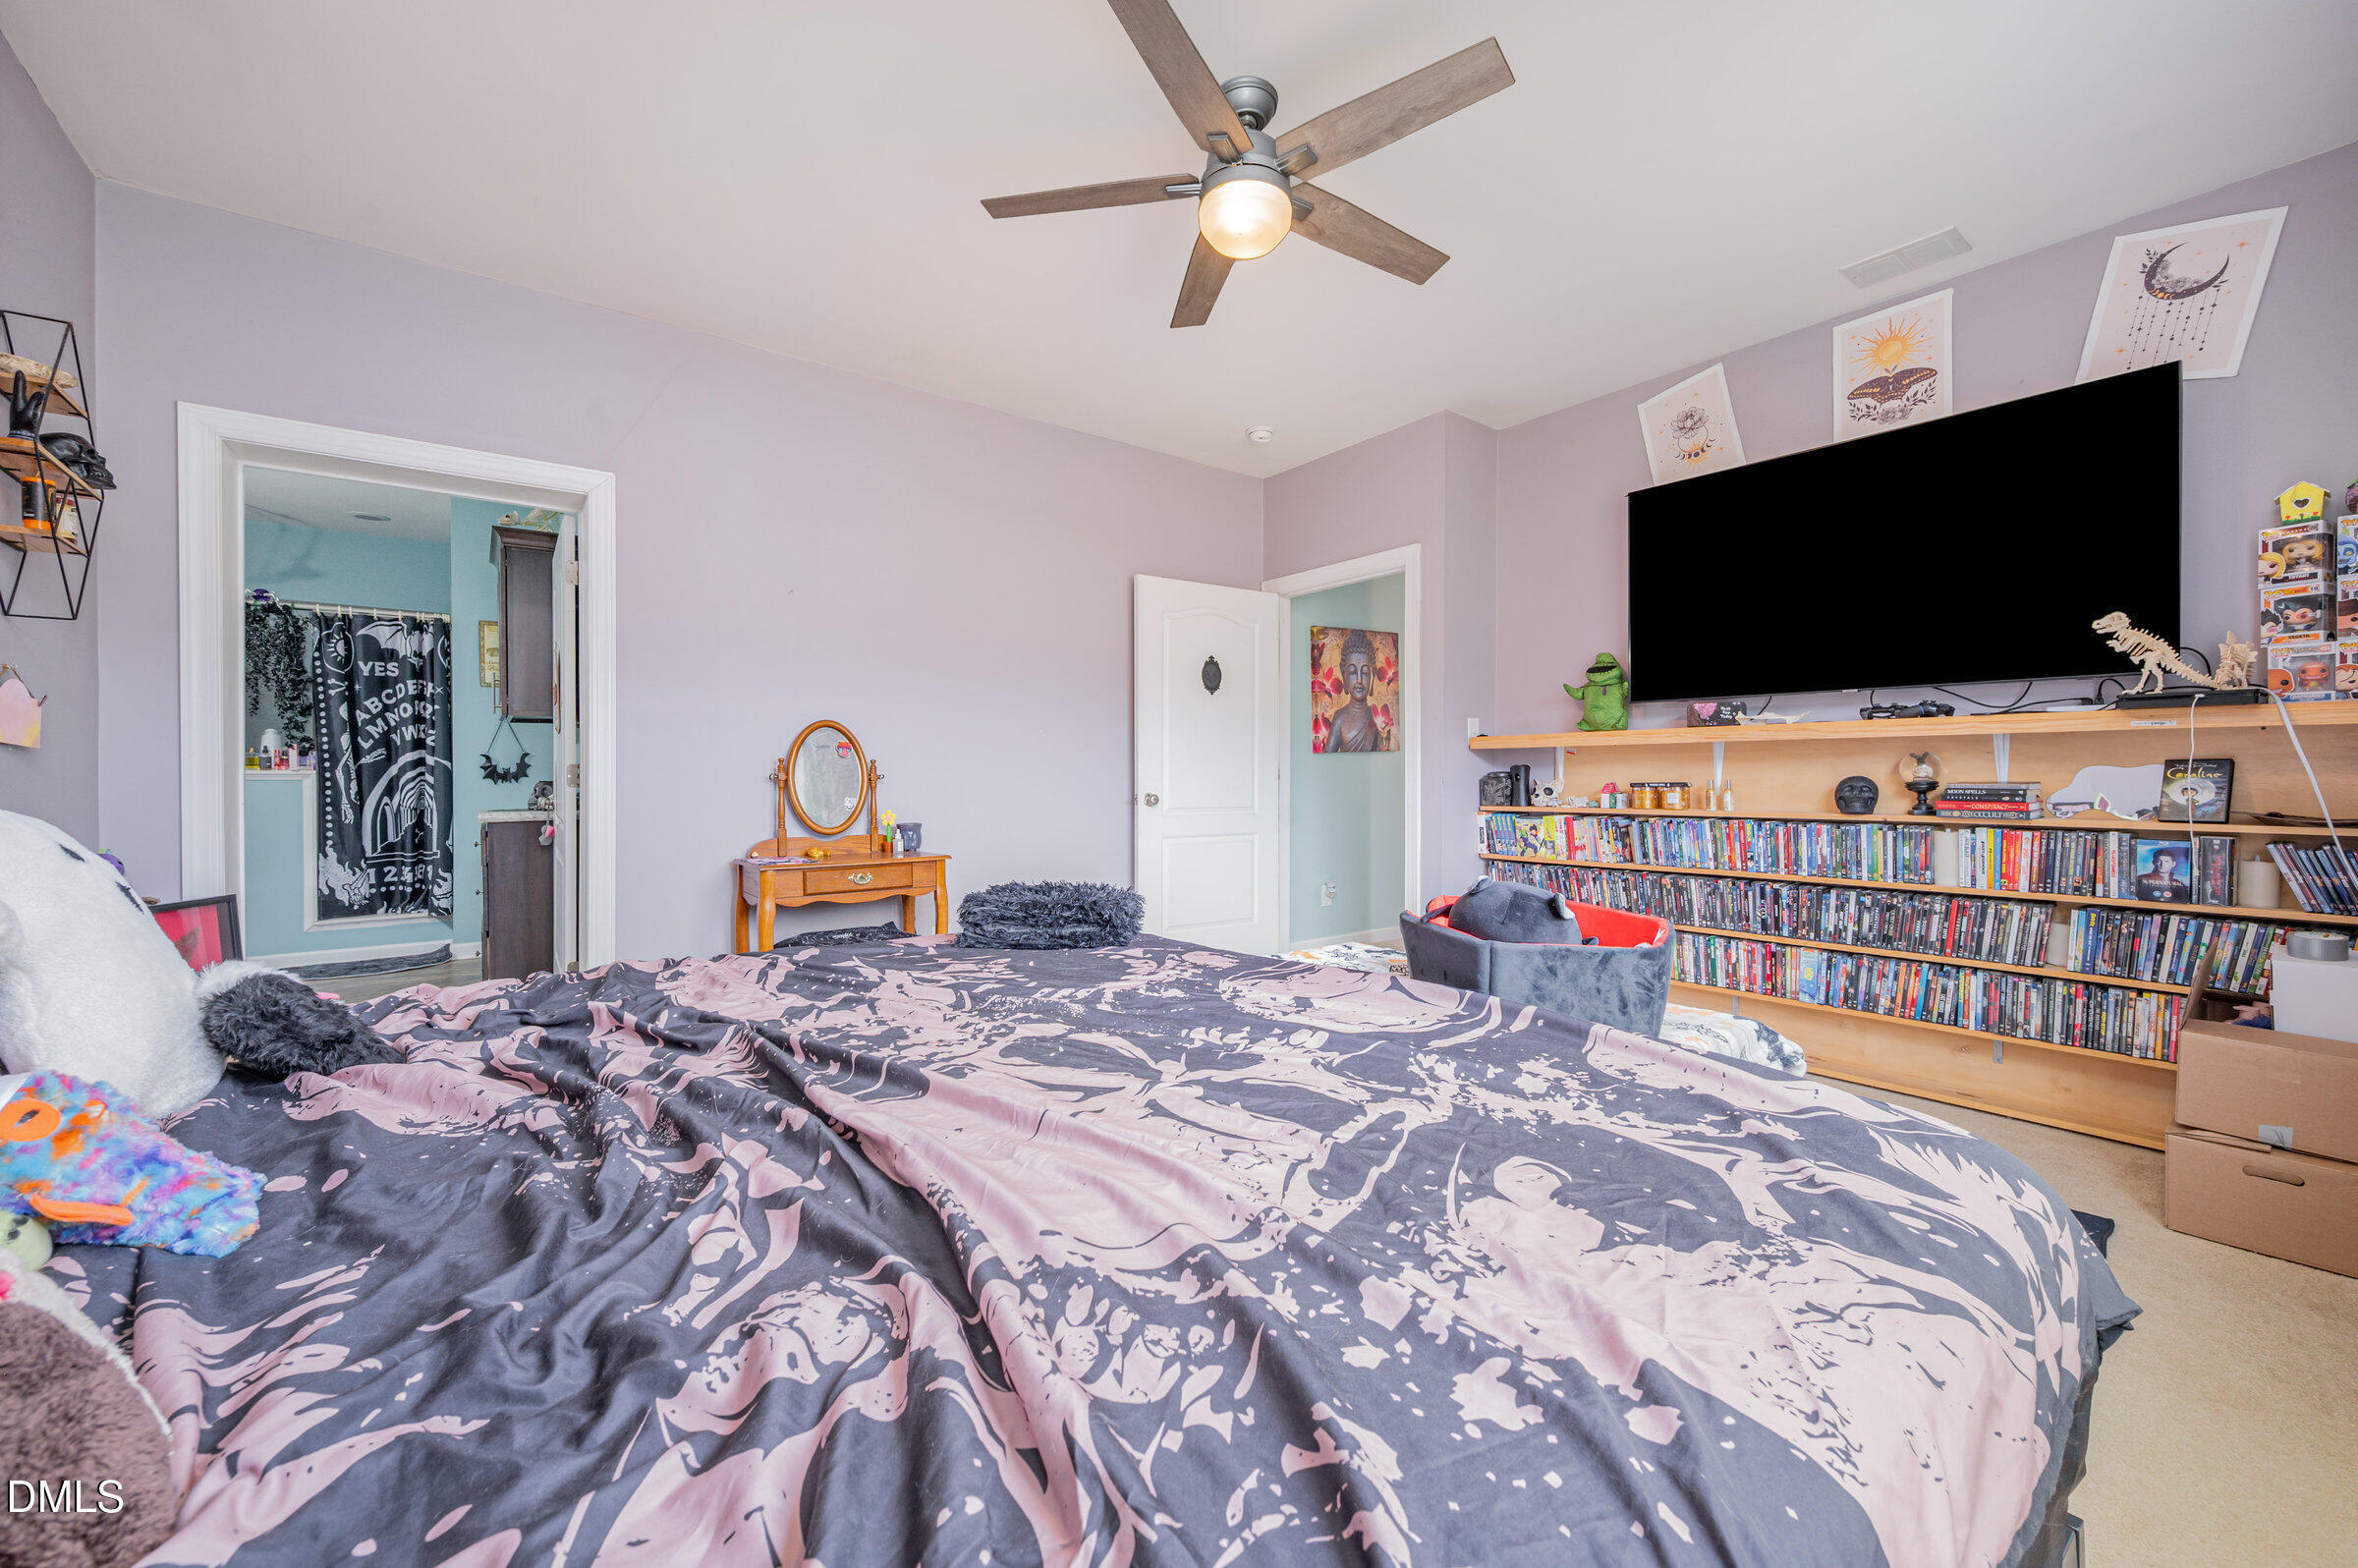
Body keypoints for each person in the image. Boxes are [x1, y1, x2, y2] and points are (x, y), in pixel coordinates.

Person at [1323, 629, 1389, 753]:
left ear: (1372, 676)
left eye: (1364, 672)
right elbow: (1327, 760)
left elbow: (1380, 754)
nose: (1359, 680)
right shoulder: (1340, 718)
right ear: (1344, 676)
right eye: (1353, 672)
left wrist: (1384, 745)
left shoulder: (1375, 718)